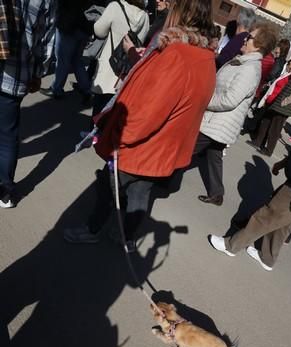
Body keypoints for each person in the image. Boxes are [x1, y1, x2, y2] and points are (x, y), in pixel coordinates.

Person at [64, 0, 216, 252]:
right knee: (139, 192)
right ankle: (127, 237)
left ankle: (93, 229)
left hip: (143, 142)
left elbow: (150, 109)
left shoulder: (177, 53)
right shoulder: (204, 57)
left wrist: (122, 136)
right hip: (164, 146)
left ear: (181, 13)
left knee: (108, 185)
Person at [208, 126, 291, 271]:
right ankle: (267, 257)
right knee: (284, 223)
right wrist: (284, 163)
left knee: (267, 215)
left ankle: (231, 245)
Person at [194, 24, 277, 206]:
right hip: (218, 123)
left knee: (184, 149)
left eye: (250, 37)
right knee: (214, 155)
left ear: (259, 45)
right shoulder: (244, 61)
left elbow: (230, 99)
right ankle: (217, 194)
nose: (245, 38)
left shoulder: (249, 69)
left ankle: (160, 175)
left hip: (217, 123)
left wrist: (204, 101)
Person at [0, 0, 56, 208]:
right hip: (16, 74)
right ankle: (5, 192)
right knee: (8, 134)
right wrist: (38, 72)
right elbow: (46, 38)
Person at [247, 52, 291, 157]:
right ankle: (258, 141)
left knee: (275, 129)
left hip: (285, 107)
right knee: (266, 121)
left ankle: (268, 150)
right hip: (281, 105)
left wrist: (283, 102)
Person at [90, 0, 149, 122]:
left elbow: (99, 31)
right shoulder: (144, 16)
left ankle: (93, 138)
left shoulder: (115, 6)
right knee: (113, 115)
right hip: (125, 70)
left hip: (108, 67)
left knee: (99, 110)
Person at [40, 0, 93, 100]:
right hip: (85, 25)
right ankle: (86, 89)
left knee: (63, 59)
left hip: (69, 24)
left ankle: (57, 89)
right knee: (76, 59)